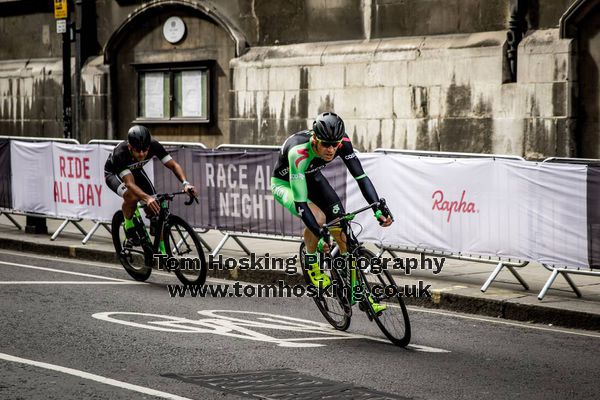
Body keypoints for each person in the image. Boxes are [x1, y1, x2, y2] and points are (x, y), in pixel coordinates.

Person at [271, 112, 392, 314]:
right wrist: (320, 236)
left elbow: (361, 177)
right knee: (317, 218)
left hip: (311, 176)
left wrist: (377, 207)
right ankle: (312, 265)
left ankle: (360, 293)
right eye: (325, 144)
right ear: (315, 140)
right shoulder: (298, 152)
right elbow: (301, 204)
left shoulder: (342, 143)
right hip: (286, 184)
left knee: (344, 235)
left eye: (334, 144)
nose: (330, 150)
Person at [104, 125, 197, 249]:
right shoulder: (121, 153)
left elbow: (173, 165)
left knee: (156, 209)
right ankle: (129, 227)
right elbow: (129, 183)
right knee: (131, 196)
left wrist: (186, 183)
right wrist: (147, 198)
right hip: (114, 173)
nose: (142, 154)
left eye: (145, 150)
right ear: (130, 147)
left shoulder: (154, 145)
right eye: (138, 150)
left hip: (135, 170)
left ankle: (162, 251)